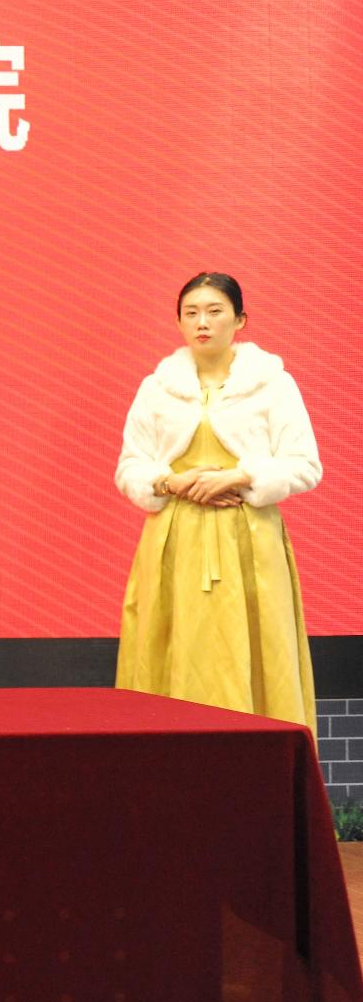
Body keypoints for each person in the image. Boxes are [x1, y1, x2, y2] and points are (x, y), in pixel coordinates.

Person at [115, 272, 321, 729]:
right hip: (175, 542)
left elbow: (305, 464)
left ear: (240, 319)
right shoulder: (157, 388)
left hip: (249, 540)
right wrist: (170, 482)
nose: (202, 322)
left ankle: (257, 759)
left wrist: (241, 475)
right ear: (178, 322)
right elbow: (130, 467)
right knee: (172, 647)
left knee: (253, 651)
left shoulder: (272, 384)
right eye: (191, 313)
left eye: (214, 311)